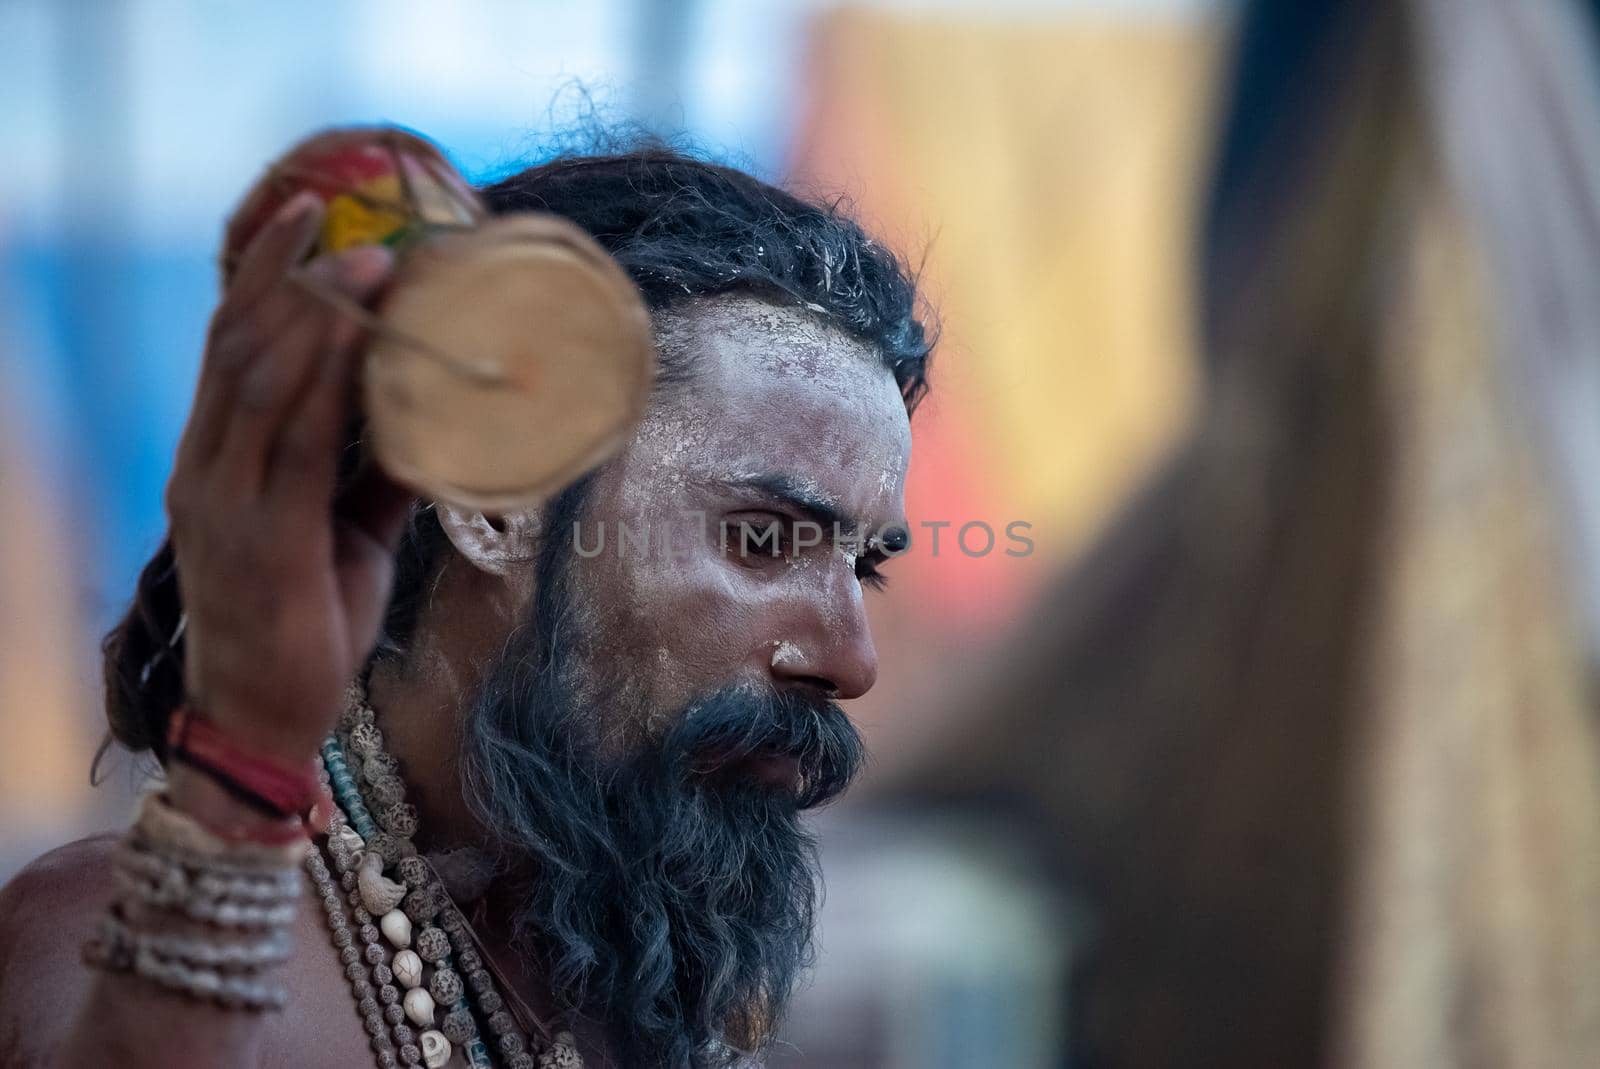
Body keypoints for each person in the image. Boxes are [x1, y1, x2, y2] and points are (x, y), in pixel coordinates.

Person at [0, 146, 931, 1069]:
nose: (852, 660)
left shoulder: (646, 985)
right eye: (763, 539)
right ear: (496, 506)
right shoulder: (104, 957)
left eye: (866, 569)